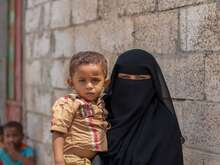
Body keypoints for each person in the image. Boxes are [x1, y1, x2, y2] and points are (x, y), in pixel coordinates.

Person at [100, 49, 184, 165]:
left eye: (141, 79)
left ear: (152, 82)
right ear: (115, 79)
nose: (132, 85)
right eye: (125, 78)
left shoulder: (163, 122)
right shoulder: (99, 111)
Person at [50, 51, 109, 165]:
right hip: (72, 160)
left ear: (105, 83)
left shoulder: (101, 103)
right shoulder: (68, 103)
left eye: (95, 80)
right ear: (71, 83)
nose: (89, 86)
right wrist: (59, 160)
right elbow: (58, 131)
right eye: (82, 81)